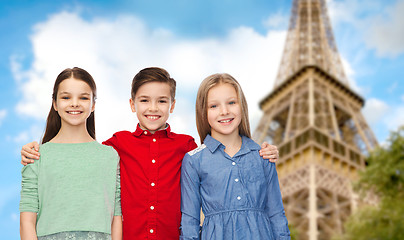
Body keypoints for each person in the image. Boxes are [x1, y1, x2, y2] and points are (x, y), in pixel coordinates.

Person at [20, 67, 279, 240]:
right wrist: (36, 150)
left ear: (173, 105)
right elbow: (83, 154)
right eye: (144, 100)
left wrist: (261, 151)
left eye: (162, 101)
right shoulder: (116, 145)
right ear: (132, 104)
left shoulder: (187, 147)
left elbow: (220, 160)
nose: (153, 108)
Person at [180, 73, 290, 240]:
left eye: (231, 102)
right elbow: (190, 221)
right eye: (214, 106)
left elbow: (276, 214)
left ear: (242, 106)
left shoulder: (263, 156)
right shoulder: (194, 160)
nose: (224, 111)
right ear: (203, 111)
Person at [19, 67, 122, 240]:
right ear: (55, 103)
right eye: (66, 97)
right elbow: (27, 221)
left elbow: (116, 218)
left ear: (93, 104)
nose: (74, 103)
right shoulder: (37, 155)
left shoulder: (109, 156)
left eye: (83, 97)